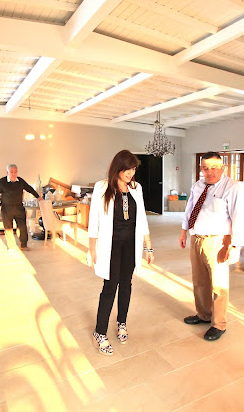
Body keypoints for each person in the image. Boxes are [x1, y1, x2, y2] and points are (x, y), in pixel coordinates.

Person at [88, 150, 154, 356]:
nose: (130, 173)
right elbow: (93, 220)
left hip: (131, 245)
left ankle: (121, 323)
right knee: (110, 286)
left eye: (133, 169)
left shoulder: (136, 187)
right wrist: (91, 249)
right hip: (111, 246)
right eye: (127, 169)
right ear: (118, 167)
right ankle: (100, 332)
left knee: (126, 284)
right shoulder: (102, 187)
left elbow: (142, 218)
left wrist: (148, 246)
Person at [179, 152, 244, 341]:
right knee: (199, 281)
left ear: (222, 168)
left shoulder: (232, 187)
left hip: (218, 241)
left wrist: (235, 246)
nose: (209, 172)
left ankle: (219, 324)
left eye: (214, 168)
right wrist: (184, 231)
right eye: (205, 168)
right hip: (197, 238)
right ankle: (203, 314)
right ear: (201, 168)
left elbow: (239, 217)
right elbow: (190, 209)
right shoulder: (198, 185)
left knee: (219, 285)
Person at [0, 164, 41, 250]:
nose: (13, 174)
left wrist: (38, 197)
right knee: (8, 228)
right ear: (7, 172)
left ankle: (23, 245)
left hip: (19, 208)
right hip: (6, 209)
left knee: (22, 227)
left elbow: (29, 188)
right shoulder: (1, 182)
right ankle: (11, 246)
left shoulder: (20, 181)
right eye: (11, 172)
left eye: (15, 172)